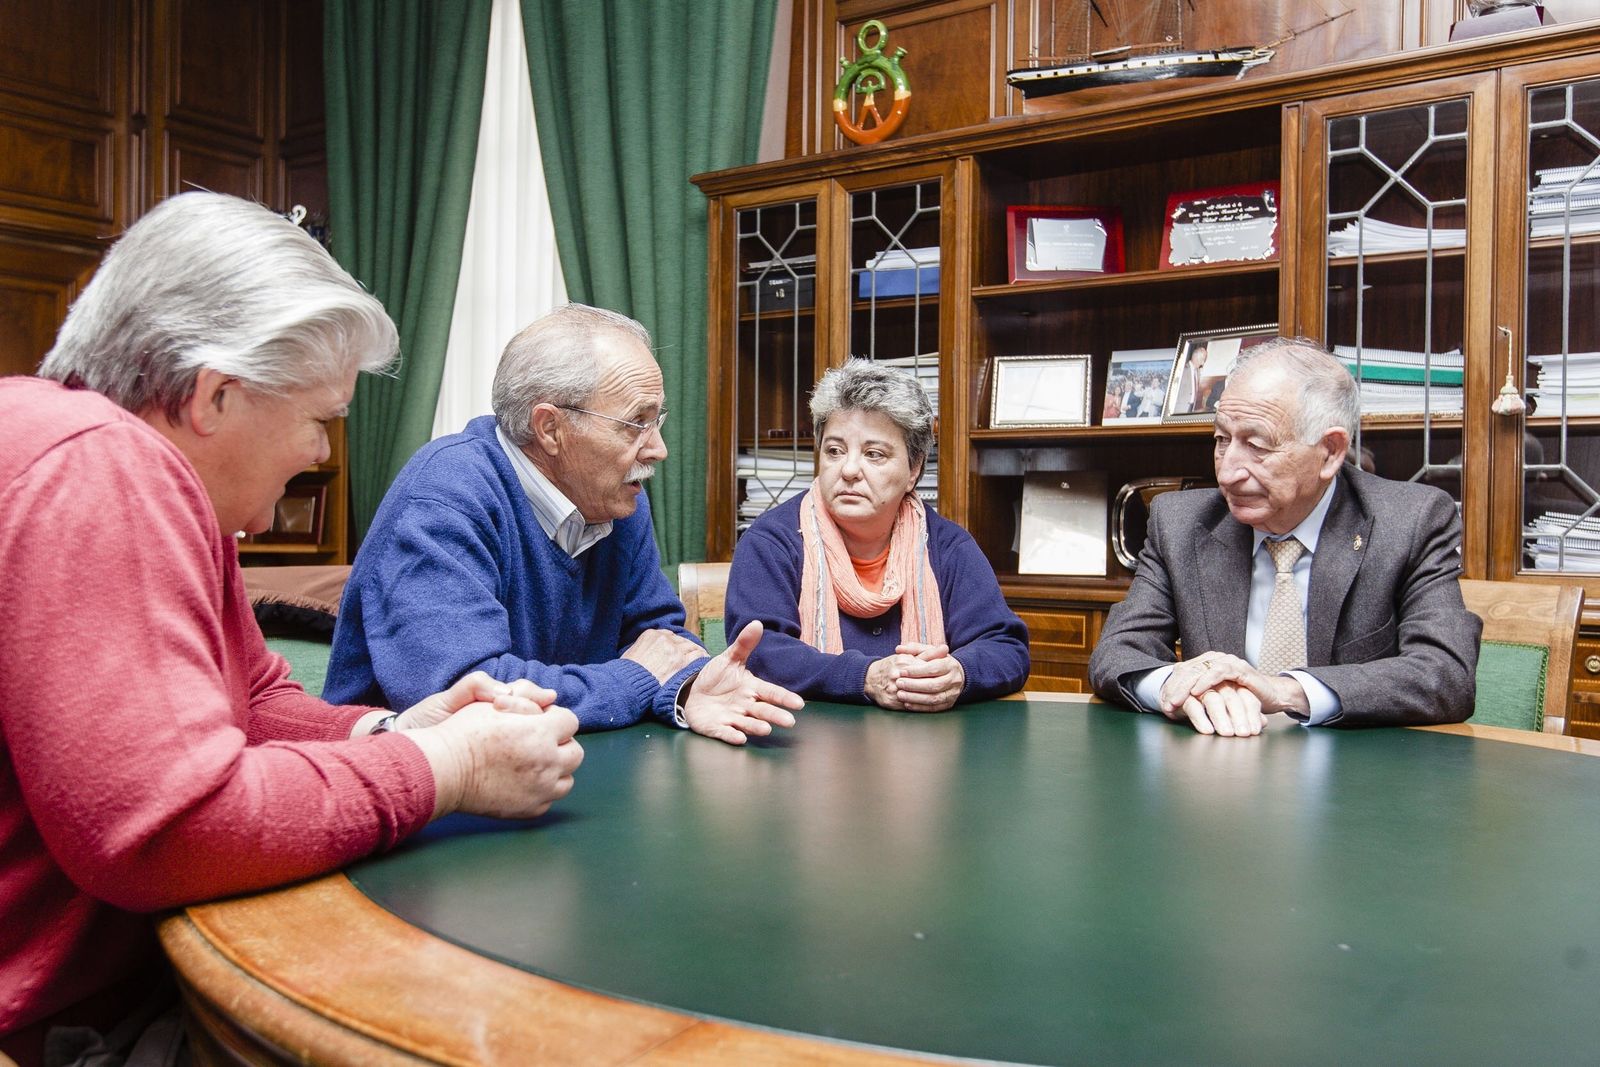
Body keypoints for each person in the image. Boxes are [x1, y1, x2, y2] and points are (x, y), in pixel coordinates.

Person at [0, 193, 584, 1065]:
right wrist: (448, 766)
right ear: (215, 396)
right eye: (319, 419)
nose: (323, 453)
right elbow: (168, 829)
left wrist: (395, 727)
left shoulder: (100, 449)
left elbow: (254, 693)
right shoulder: (101, 468)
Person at [324, 304, 803, 745]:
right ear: (550, 428)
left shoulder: (616, 497)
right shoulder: (444, 497)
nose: (659, 449)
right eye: (636, 422)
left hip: (568, 763)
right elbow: (470, 697)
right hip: (409, 799)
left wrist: (689, 686)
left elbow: (658, 638)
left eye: (659, 421)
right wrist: (634, 680)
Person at [1089, 337, 1481, 736]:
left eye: (1257, 445)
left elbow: (1445, 676)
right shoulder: (1181, 523)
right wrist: (1177, 686)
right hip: (1218, 772)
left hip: (1360, 779)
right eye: (1222, 440)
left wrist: (1285, 691)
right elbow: (1117, 654)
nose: (1228, 473)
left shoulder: (1410, 521)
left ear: (1330, 451)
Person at [724, 360, 1030, 710]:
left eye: (874, 454)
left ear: (913, 469)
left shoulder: (947, 546)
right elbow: (760, 653)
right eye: (834, 451)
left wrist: (958, 673)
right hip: (802, 747)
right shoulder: (770, 542)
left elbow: (1007, 649)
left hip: (923, 752)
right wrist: (866, 676)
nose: (849, 470)